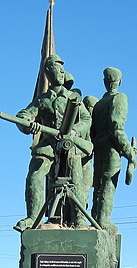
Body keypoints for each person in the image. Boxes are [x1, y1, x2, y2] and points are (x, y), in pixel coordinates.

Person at [13, 54, 92, 231]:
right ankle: (32, 217)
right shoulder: (42, 100)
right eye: (57, 68)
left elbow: (86, 120)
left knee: (76, 178)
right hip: (49, 144)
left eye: (63, 69)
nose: (62, 72)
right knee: (35, 174)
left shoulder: (74, 98)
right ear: (48, 72)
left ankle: (80, 220)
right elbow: (24, 116)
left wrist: (74, 131)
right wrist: (28, 125)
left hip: (70, 144)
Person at [91, 67, 137, 233]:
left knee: (98, 184)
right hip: (111, 146)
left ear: (105, 82)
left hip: (98, 146)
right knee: (109, 183)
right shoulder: (120, 98)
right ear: (120, 82)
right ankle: (103, 220)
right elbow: (116, 126)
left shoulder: (98, 105)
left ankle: (95, 217)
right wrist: (129, 153)